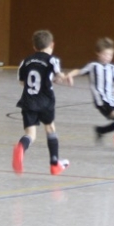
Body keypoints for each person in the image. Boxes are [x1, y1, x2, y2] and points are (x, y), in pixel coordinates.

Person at [64, 37, 114, 151]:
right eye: (104, 54)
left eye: (110, 55)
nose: (107, 57)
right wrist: (70, 75)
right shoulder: (93, 66)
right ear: (98, 53)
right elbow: (79, 71)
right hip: (101, 101)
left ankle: (101, 130)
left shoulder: (113, 68)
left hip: (112, 100)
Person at [12, 30, 70, 176]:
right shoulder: (51, 60)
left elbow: (22, 82)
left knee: (30, 134)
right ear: (52, 45)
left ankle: (21, 147)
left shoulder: (26, 61)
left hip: (28, 101)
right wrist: (64, 77)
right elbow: (58, 74)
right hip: (45, 101)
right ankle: (54, 164)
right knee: (50, 128)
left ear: (34, 46)